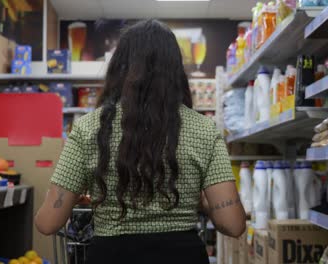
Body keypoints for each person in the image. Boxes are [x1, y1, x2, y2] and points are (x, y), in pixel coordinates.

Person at [35, 19, 246, 264]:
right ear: (176, 70)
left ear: (119, 67)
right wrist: (200, 202)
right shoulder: (204, 130)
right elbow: (233, 223)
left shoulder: (88, 128)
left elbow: (47, 222)